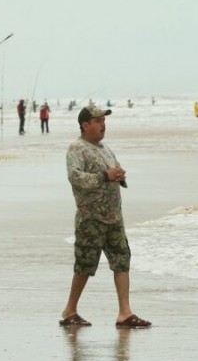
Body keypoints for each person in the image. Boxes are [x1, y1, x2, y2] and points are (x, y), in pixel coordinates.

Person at [60, 105, 151, 329]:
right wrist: (104, 175)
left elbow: (111, 174)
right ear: (85, 124)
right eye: (98, 120)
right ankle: (69, 311)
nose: (103, 124)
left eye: (104, 120)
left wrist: (118, 175)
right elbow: (75, 178)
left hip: (113, 217)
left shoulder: (105, 149)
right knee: (85, 265)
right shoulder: (76, 148)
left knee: (122, 260)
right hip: (90, 218)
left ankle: (125, 313)